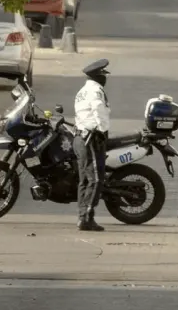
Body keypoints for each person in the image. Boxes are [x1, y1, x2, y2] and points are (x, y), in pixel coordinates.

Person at [73, 59, 111, 232]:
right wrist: (102, 130)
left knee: (85, 180)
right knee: (95, 179)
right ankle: (87, 217)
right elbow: (98, 109)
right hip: (91, 139)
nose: (105, 78)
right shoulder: (96, 90)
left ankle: (83, 216)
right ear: (98, 75)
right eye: (103, 74)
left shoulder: (82, 91)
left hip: (80, 137)